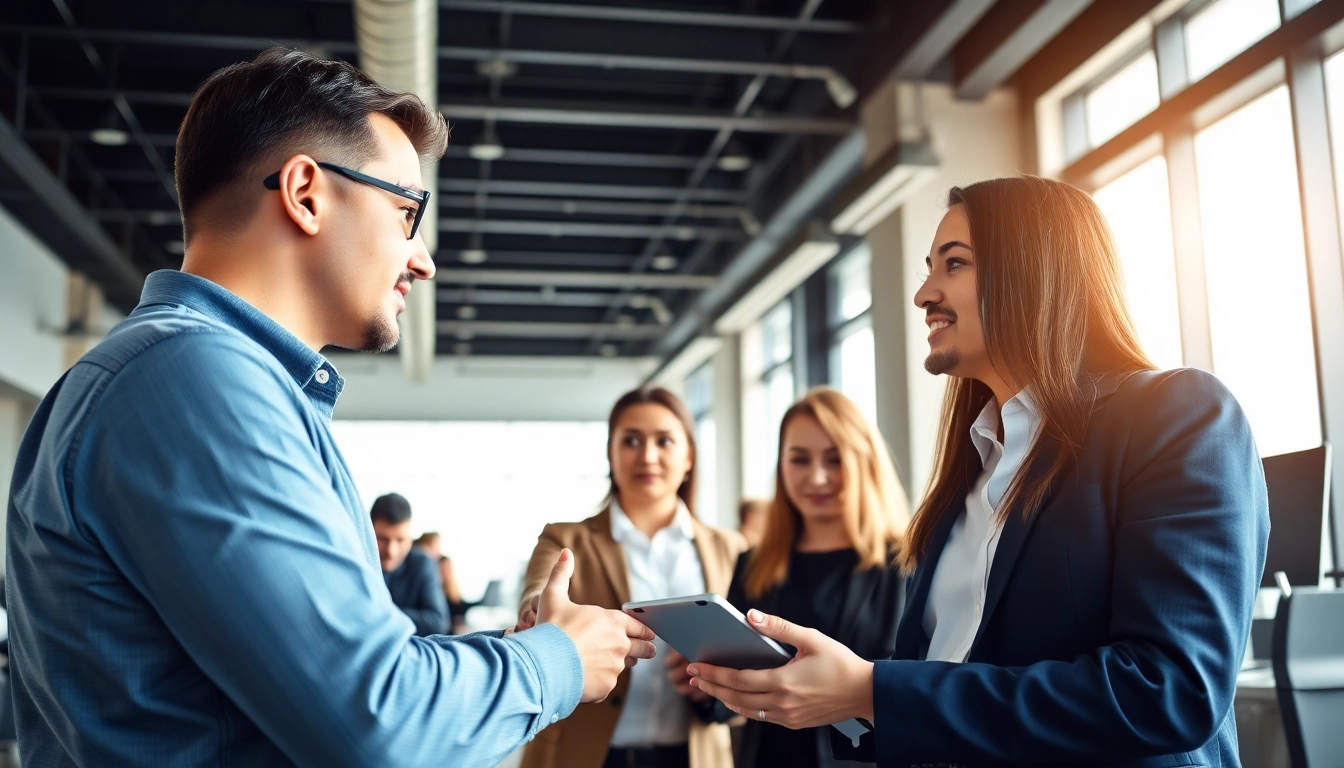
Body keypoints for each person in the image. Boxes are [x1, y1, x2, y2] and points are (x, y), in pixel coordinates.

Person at [5, 47, 654, 768]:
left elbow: (316, 682)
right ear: (307, 192)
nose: (423, 258)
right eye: (406, 212)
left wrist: (508, 656)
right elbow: (379, 727)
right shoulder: (194, 380)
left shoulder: (182, 377)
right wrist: (554, 663)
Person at [685, 176, 1270, 767]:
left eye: (954, 264)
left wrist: (870, 689)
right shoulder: (972, 469)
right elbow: (953, 677)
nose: (923, 294)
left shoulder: (1180, 414)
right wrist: (834, 697)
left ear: (1035, 272)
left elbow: (1169, 691)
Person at [516, 387, 746, 768]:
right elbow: (540, 590)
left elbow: (752, 665)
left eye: (665, 441)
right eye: (631, 440)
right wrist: (536, 612)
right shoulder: (565, 538)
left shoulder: (731, 549)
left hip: (693, 755)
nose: (648, 456)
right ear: (611, 453)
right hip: (584, 754)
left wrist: (713, 687)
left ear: (688, 456)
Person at [702, 389, 908, 768]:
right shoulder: (754, 564)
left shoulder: (907, 563)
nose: (816, 477)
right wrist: (704, 685)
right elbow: (732, 690)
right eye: (799, 459)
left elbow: (915, 686)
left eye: (834, 460)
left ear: (864, 463)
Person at [371, 494, 447, 636]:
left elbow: (438, 622)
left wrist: (379, 614)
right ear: (368, 531)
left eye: (400, 540)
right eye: (382, 539)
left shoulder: (423, 563)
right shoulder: (356, 560)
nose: (391, 551)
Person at [415, 531, 469, 633]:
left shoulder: (433, 569)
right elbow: (438, 621)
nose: (438, 552)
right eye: (435, 546)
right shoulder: (423, 569)